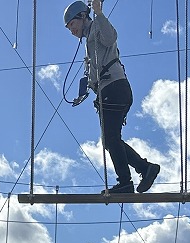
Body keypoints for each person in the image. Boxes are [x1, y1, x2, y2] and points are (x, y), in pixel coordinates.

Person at [63, 0, 161, 195]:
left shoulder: (97, 27)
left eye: (72, 24)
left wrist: (99, 13)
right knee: (111, 139)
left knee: (110, 139)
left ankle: (126, 181)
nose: (71, 30)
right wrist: (84, 92)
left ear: (83, 16)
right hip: (110, 91)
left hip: (114, 89)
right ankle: (145, 168)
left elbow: (110, 37)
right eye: (68, 28)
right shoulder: (89, 41)